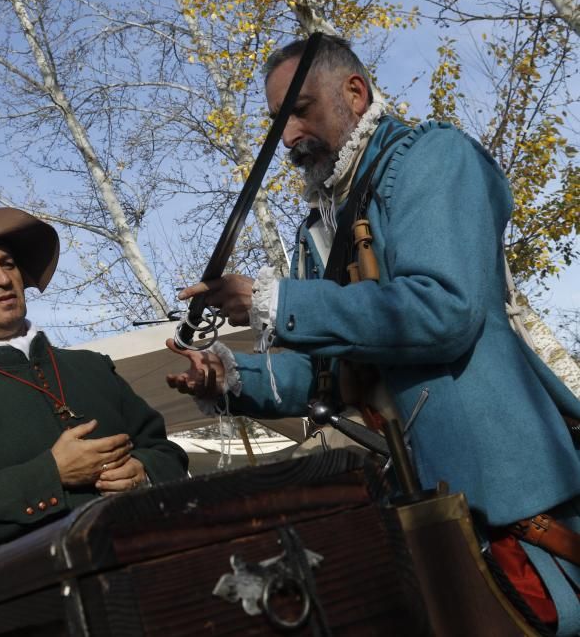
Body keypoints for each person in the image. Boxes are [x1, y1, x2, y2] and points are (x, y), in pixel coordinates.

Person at [165, 34, 580, 633]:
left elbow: (443, 311)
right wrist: (231, 374)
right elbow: (325, 380)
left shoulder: (430, 157)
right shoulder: (321, 225)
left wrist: (272, 299)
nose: (287, 138)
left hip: (509, 494)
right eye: (277, 122)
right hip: (423, 510)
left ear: (355, 93)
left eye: (300, 110)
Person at [0, 206, 189, 557]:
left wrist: (143, 471)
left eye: (8, 264)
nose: (2, 279)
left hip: (156, 567)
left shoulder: (91, 368)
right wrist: (52, 474)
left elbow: (166, 452)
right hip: (40, 599)